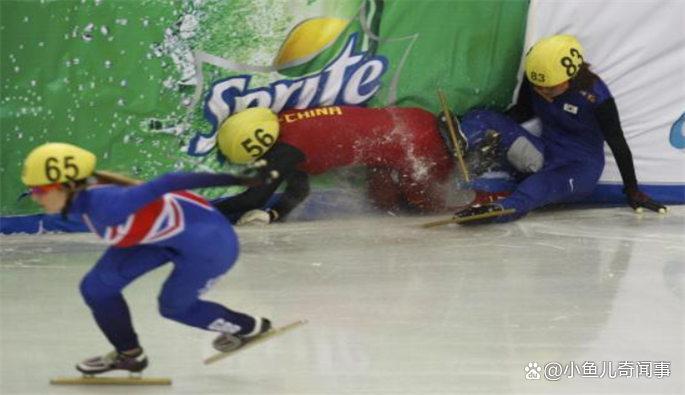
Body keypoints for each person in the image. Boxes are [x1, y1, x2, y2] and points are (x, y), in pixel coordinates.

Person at [21, 142, 277, 375]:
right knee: (96, 288)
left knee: (174, 307)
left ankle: (248, 327)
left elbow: (169, 180)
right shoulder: (81, 198)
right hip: (160, 239)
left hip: (209, 244)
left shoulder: (109, 202)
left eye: (39, 190)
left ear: (66, 186)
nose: (34, 196)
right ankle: (130, 355)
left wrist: (236, 177)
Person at [453, 35, 667, 224]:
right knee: (485, 116)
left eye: (551, 88)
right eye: (538, 86)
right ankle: (464, 140)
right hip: (543, 154)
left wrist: (632, 189)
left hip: (578, 170)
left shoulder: (597, 98)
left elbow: (618, 144)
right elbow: (523, 112)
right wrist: (496, 130)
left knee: (538, 186)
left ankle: (501, 210)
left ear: (570, 77)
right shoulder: (540, 76)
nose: (543, 92)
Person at [213, 106, 460, 224]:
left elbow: (252, 199)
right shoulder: (288, 121)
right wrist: (272, 214)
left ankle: (491, 195)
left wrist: (196, 211)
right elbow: (299, 190)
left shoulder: (288, 150)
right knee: (384, 204)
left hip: (419, 144)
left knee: (431, 206)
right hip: (411, 122)